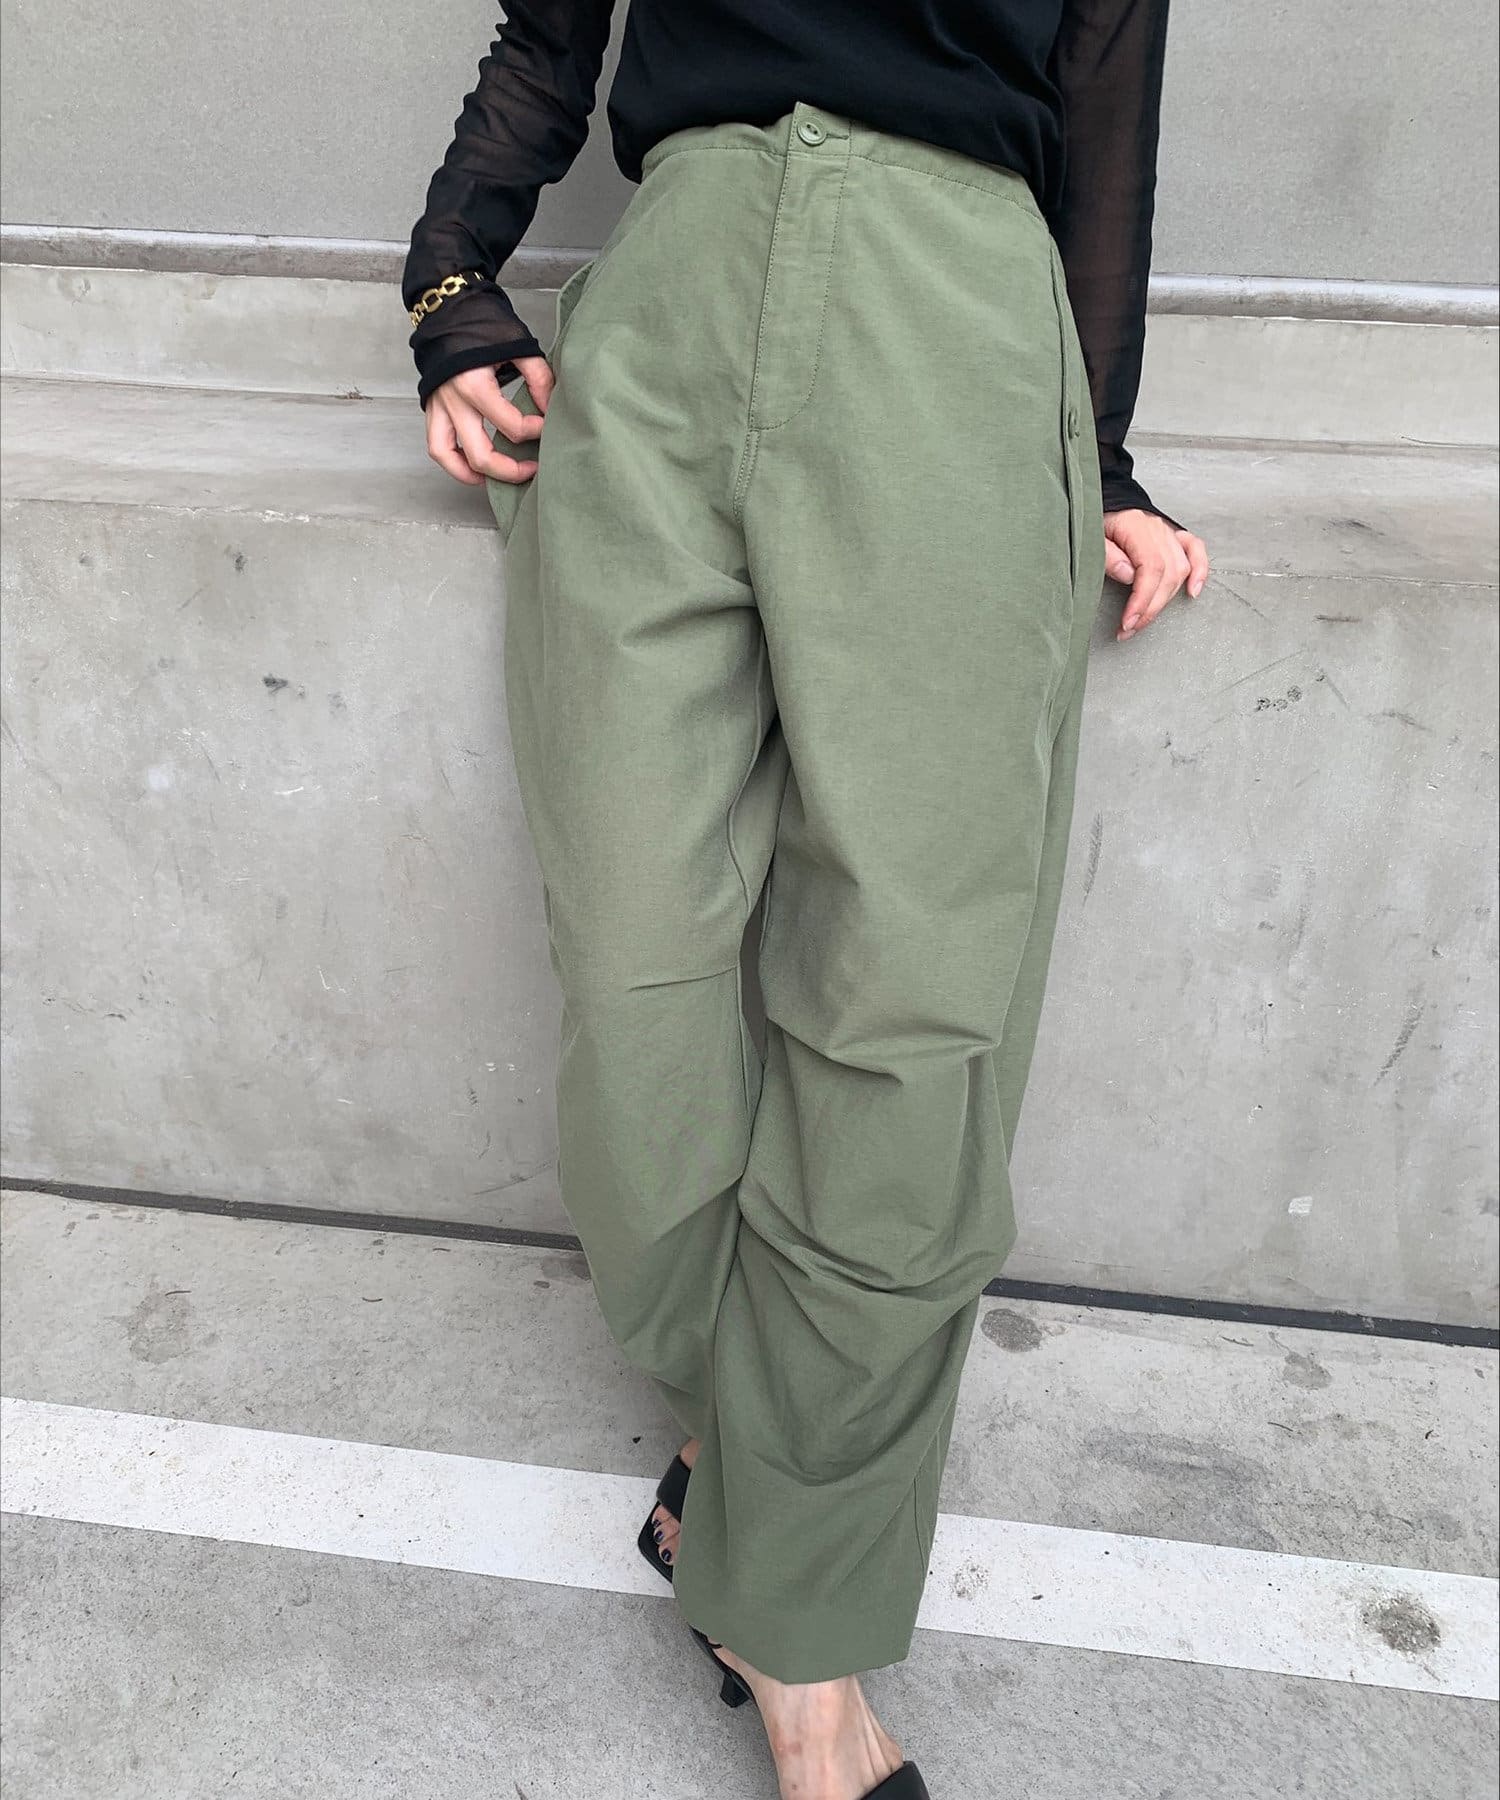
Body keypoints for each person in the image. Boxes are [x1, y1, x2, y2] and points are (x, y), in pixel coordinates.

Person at [402, 5, 1208, 1796]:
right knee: (635, 967)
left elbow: (1105, 111)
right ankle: (747, 1447)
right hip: (671, 306)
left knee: (912, 1005)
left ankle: (800, 1639)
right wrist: (450, 287)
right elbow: (552, 32)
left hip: (953, 322)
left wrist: (1094, 454)